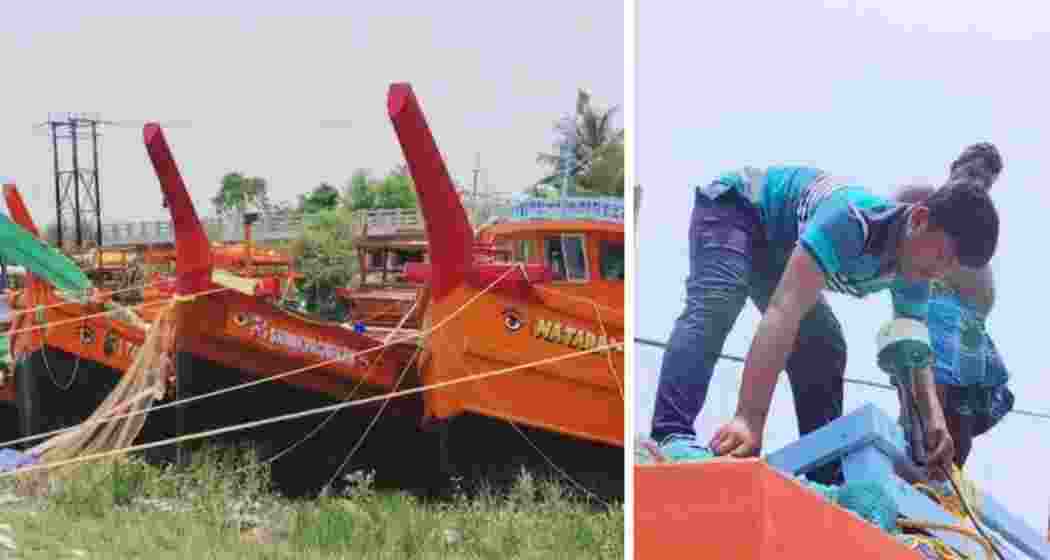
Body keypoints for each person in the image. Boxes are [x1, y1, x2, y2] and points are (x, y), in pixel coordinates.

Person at [651, 148, 1000, 483]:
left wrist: (934, 419)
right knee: (718, 300)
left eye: (950, 267)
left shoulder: (915, 270)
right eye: (941, 256)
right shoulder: (852, 221)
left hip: (779, 251)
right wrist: (748, 419)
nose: (939, 272)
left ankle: (822, 469)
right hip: (738, 208)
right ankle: (670, 433)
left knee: (824, 344)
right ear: (920, 220)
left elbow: (915, 352)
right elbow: (784, 310)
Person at [892, 143, 1013, 468]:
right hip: (931, 315)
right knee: (925, 408)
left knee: (962, 425)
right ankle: (915, 470)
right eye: (972, 173)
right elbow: (887, 235)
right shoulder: (923, 197)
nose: (978, 184)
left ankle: (945, 482)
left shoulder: (977, 228)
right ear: (954, 166)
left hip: (971, 333)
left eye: (986, 182)